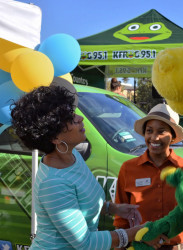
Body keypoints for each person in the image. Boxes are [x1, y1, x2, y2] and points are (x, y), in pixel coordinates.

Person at [10, 79, 149, 249]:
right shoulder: (53, 184)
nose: (80, 118)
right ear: (55, 138)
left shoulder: (72, 155)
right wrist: (135, 233)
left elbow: (83, 202)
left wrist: (114, 209)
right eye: (71, 119)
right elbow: (86, 243)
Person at [114, 103, 183, 250]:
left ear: (173, 137)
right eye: (149, 131)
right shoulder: (128, 169)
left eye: (161, 132)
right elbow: (121, 221)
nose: (154, 138)